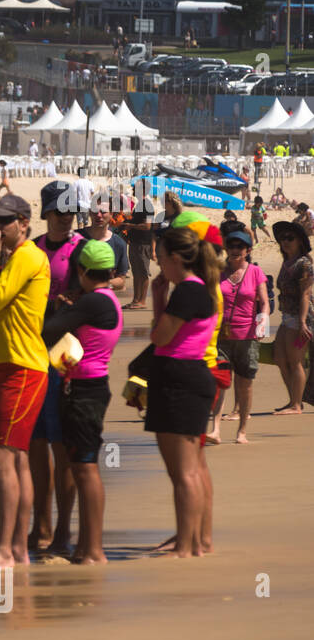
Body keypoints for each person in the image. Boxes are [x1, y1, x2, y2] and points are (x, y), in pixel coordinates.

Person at [0, 195, 51, 568]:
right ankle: (18, 548)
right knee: (16, 458)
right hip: (8, 364)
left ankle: (6, 549)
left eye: (4, 222)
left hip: (22, 366)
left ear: (23, 222)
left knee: (0, 456)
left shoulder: (25, 256)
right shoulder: (14, 259)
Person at [41, 242, 123, 564]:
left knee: (86, 469)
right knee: (84, 467)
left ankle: (93, 550)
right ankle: (88, 546)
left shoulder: (92, 302)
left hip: (84, 390)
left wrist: (61, 309)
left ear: (82, 272)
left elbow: (49, 331)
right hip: (94, 387)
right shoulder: (110, 301)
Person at [145, 228, 220, 557]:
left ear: (175, 259)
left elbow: (160, 337)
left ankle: (189, 546)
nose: (158, 264)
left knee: (184, 472)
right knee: (196, 468)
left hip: (179, 378)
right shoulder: (202, 289)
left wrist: (158, 299)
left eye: (160, 258)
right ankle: (197, 539)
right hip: (190, 377)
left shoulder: (187, 291)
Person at [28, 181, 88, 555]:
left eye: (70, 212)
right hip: (33, 354)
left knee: (62, 448)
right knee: (35, 447)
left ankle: (64, 530)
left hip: (67, 358)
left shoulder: (83, 249)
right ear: (47, 213)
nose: (66, 218)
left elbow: (108, 284)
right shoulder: (31, 249)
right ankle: (40, 526)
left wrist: (75, 297)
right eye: (59, 212)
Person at [216, 230, 267, 442]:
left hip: (247, 336)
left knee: (245, 384)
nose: (235, 250)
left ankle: (242, 431)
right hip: (221, 336)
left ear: (248, 250)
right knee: (219, 382)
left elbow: (263, 301)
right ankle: (215, 429)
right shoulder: (219, 271)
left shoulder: (255, 272)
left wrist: (262, 320)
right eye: (231, 246)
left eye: (240, 247)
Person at [272, 220, 314, 414]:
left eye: (290, 238)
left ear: (299, 241)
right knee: (279, 357)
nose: (285, 242)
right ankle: (293, 400)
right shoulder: (286, 262)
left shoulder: (304, 263)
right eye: (282, 238)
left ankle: (296, 405)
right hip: (287, 316)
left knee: (295, 360)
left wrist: (303, 322)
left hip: (300, 318)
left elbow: (306, 294)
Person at [79, 202, 129, 292]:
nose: (98, 215)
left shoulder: (119, 244)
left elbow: (121, 281)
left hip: (102, 300)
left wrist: (99, 284)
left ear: (111, 214)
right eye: (95, 211)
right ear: (90, 212)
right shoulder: (76, 238)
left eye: (103, 212)